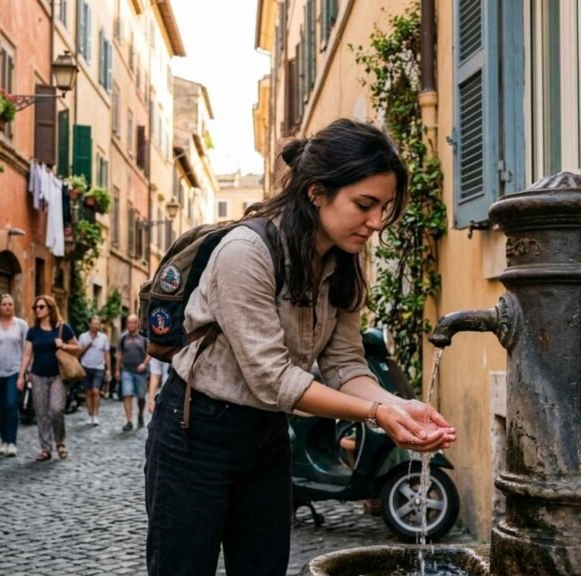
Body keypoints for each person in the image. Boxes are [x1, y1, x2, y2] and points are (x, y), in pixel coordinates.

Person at [144, 119, 457, 576]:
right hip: (196, 431)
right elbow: (272, 378)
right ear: (316, 192)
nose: (374, 223)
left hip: (267, 436)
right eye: (364, 205)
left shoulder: (342, 261)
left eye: (383, 208)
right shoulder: (245, 253)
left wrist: (399, 407)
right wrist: (375, 415)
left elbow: (345, 364)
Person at [18, 295, 78, 461]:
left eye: (41, 307)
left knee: (56, 409)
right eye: (36, 307)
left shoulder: (62, 328)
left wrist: (63, 345)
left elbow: (77, 347)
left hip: (58, 375)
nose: (38, 310)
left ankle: (60, 443)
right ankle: (46, 448)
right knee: (42, 412)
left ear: (50, 309)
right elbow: (27, 354)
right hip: (37, 375)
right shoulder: (33, 331)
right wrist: (21, 375)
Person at [0, 294, 28, 457]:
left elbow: (27, 349)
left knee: (12, 404)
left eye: (10, 304)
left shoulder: (21, 325)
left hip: (14, 370)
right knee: (1, 407)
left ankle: (12, 442)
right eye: (4, 304)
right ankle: (4, 440)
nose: (8, 307)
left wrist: (25, 372)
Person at [115, 314, 151, 431]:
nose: (131, 325)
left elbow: (149, 353)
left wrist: (144, 364)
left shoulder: (143, 338)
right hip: (126, 370)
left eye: (133, 322)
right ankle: (129, 421)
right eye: (129, 323)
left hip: (140, 372)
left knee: (141, 397)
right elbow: (119, 354)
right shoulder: (123, 338)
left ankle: (140, 414)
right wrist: (117, 370)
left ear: (137, 324)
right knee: (127, 394)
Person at [78, 316, 111, 426]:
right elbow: (78, 354)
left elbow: (107, 354)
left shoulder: (104, 338)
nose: (96, 326)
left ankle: (96, 415)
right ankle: (89, 415)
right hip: (85, 367)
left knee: (95, 391)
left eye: (98, 324)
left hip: (99, 368)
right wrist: (88, 344)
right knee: (87, 392)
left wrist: (108, 369)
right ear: (89, 324)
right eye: (94, 324)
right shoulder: (83, 337)